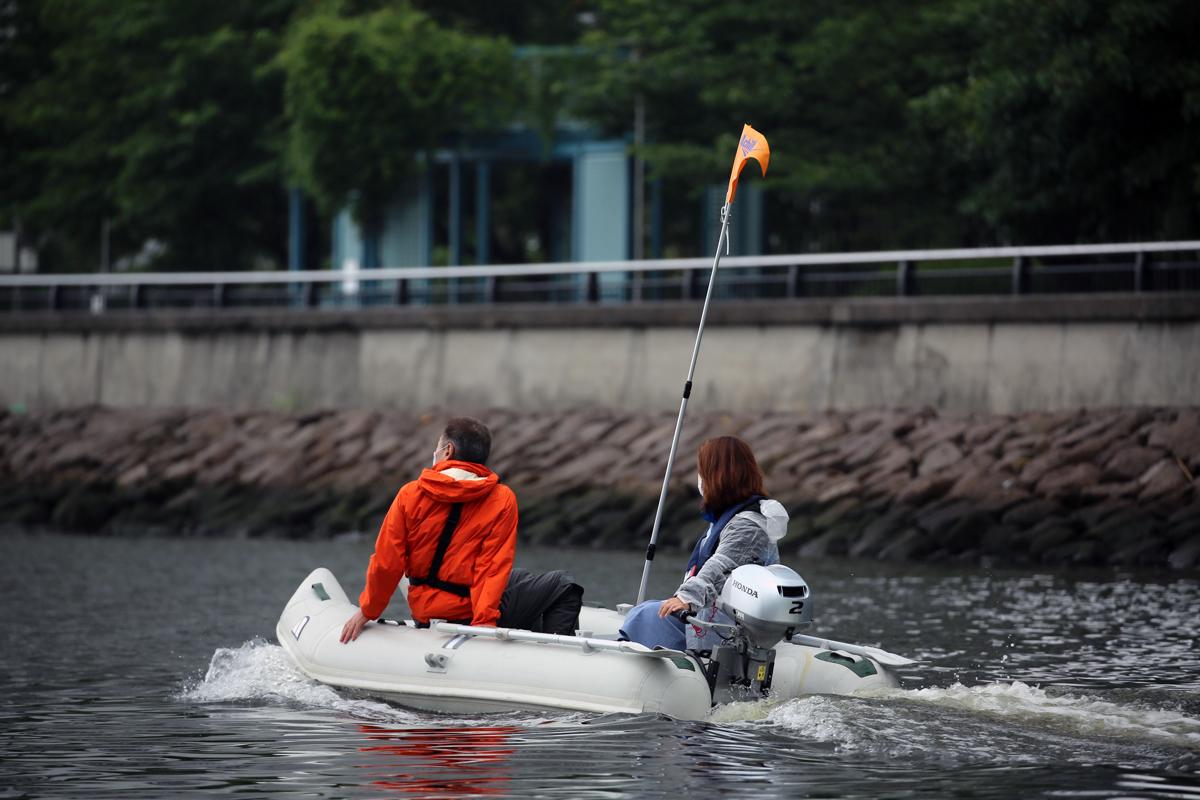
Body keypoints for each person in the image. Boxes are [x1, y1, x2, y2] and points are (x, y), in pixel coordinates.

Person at [341, 416, 582, 644]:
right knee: (564, 586)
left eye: (437, 446)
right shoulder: (501, 498)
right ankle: (554, 659)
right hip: (467, 613)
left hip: (426, 610)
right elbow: (491, 566)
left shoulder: (410, 494)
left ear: (447, 451)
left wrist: (368, 611)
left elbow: (387, 562)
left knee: (517, 577)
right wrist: (485, 623)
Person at [619, 435, 789, 651]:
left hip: (725, 628)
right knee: (646, 609)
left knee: (644, 615)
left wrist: (687, 598)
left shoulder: (749, 525)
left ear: (717, 475)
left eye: (702, 471)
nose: (699, 479)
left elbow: (722, 564)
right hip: (711, 617)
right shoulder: (731, 517)